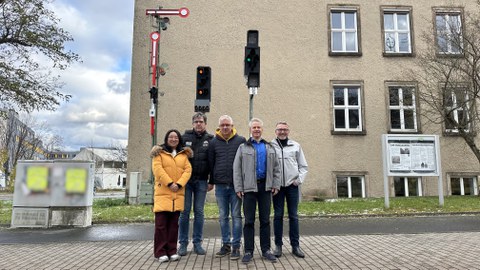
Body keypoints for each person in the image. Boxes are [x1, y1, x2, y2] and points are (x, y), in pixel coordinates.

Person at [233, 118, 280, 264]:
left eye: (259, 127)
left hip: (265, 188)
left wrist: (276, 184)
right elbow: (237, 169)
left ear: (262, 129)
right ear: (250, 130)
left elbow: (276, 169)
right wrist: (239, 188)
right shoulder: (243, 147)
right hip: (248, 189)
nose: (257, 130)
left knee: (265, 220)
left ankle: (266, 250)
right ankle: (248, 251)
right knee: (249, 221)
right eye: (254, 127)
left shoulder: (270, 147)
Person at [150, 129, 192, 263]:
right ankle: (160, 252)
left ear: (179, 139)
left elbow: (188, 170)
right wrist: (169, 183)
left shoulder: (183, 155)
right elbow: (157, 170)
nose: (173, 139)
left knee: (174, 225)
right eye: (171, 137)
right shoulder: (159, 153)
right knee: (161, 225)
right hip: (163, 193)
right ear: (166, 138)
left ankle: (172, 250)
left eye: (176, 137)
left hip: (177, 194)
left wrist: (179, 184)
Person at [208, 115, 246, 260]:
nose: (225, 127)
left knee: (236, 216)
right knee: (223, 217)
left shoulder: (240, 141)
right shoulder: (213, 142)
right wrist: (211, 181)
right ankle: (226, 245)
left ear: (232, 126)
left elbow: (244, 163)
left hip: (236, 186)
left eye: (227, 125)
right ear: (219, 126)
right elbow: (211, 164)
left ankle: (236, 246)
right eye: (222, 125)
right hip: (220, 187)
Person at [271, 121, 309, 258]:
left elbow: (303, 166)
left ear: (288, 131)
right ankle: (278, 246)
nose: (282, 132)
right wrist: (272, 184)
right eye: (279, 129)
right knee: (278, 216)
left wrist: (298, 181)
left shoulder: (295, 146)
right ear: (275, 131)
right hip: (277, 187)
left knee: (293, 216)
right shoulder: (271, 146)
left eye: (285, 129)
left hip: (292, 187)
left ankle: (295, 246)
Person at [178, 113, 214, 256]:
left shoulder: (211, 139)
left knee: (199, 212)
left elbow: (213, 161)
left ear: (205, 123)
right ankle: (182, 244)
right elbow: (171, 147)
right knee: (184, 212)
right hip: (186, 182)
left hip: (202, 181)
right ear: (192, 123)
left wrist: (212, 180)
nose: (198, 124)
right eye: (196, 121)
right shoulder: (184, 137)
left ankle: (197, 243)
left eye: (201, 121)